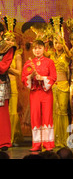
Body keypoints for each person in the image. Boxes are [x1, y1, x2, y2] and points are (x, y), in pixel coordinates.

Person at [22, 39, 57, 152]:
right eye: (35, 48)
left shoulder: (49, 62)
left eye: (40, 48)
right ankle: (36, 143)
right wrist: (30, 77)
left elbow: (53, 77)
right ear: (32, 50)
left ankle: (47, 143)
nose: (37, 50)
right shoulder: (28, 63)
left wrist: (42, 78)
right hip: (35, 93)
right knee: (35, 116)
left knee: (47, 116)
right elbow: (24, 78)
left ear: (44, 49)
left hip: (46, 93)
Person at [47, 16, 72, 148]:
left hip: (63, 85)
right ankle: (54, 139)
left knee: (62, 111)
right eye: (56, 42)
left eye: (60, 42)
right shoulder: (50, 54)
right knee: (54, 111)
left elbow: (72, 56)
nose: (58, 45)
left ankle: (63, 139)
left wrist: (63, 37)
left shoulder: (66, 55)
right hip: (53, 86)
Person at [3, 16, 24, 146]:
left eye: (12, 40)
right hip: (2, 83)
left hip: (12, 84)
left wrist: (7, 68)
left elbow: (19, 72)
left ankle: (11, 138)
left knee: (12, 112)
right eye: (7, 39)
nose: (10, 42)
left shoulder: (16, 54)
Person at [0, 20, 17, 151]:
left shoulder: (7, 47)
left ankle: (4, 142)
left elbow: (4, 66)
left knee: (2, 113)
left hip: (1, 82)